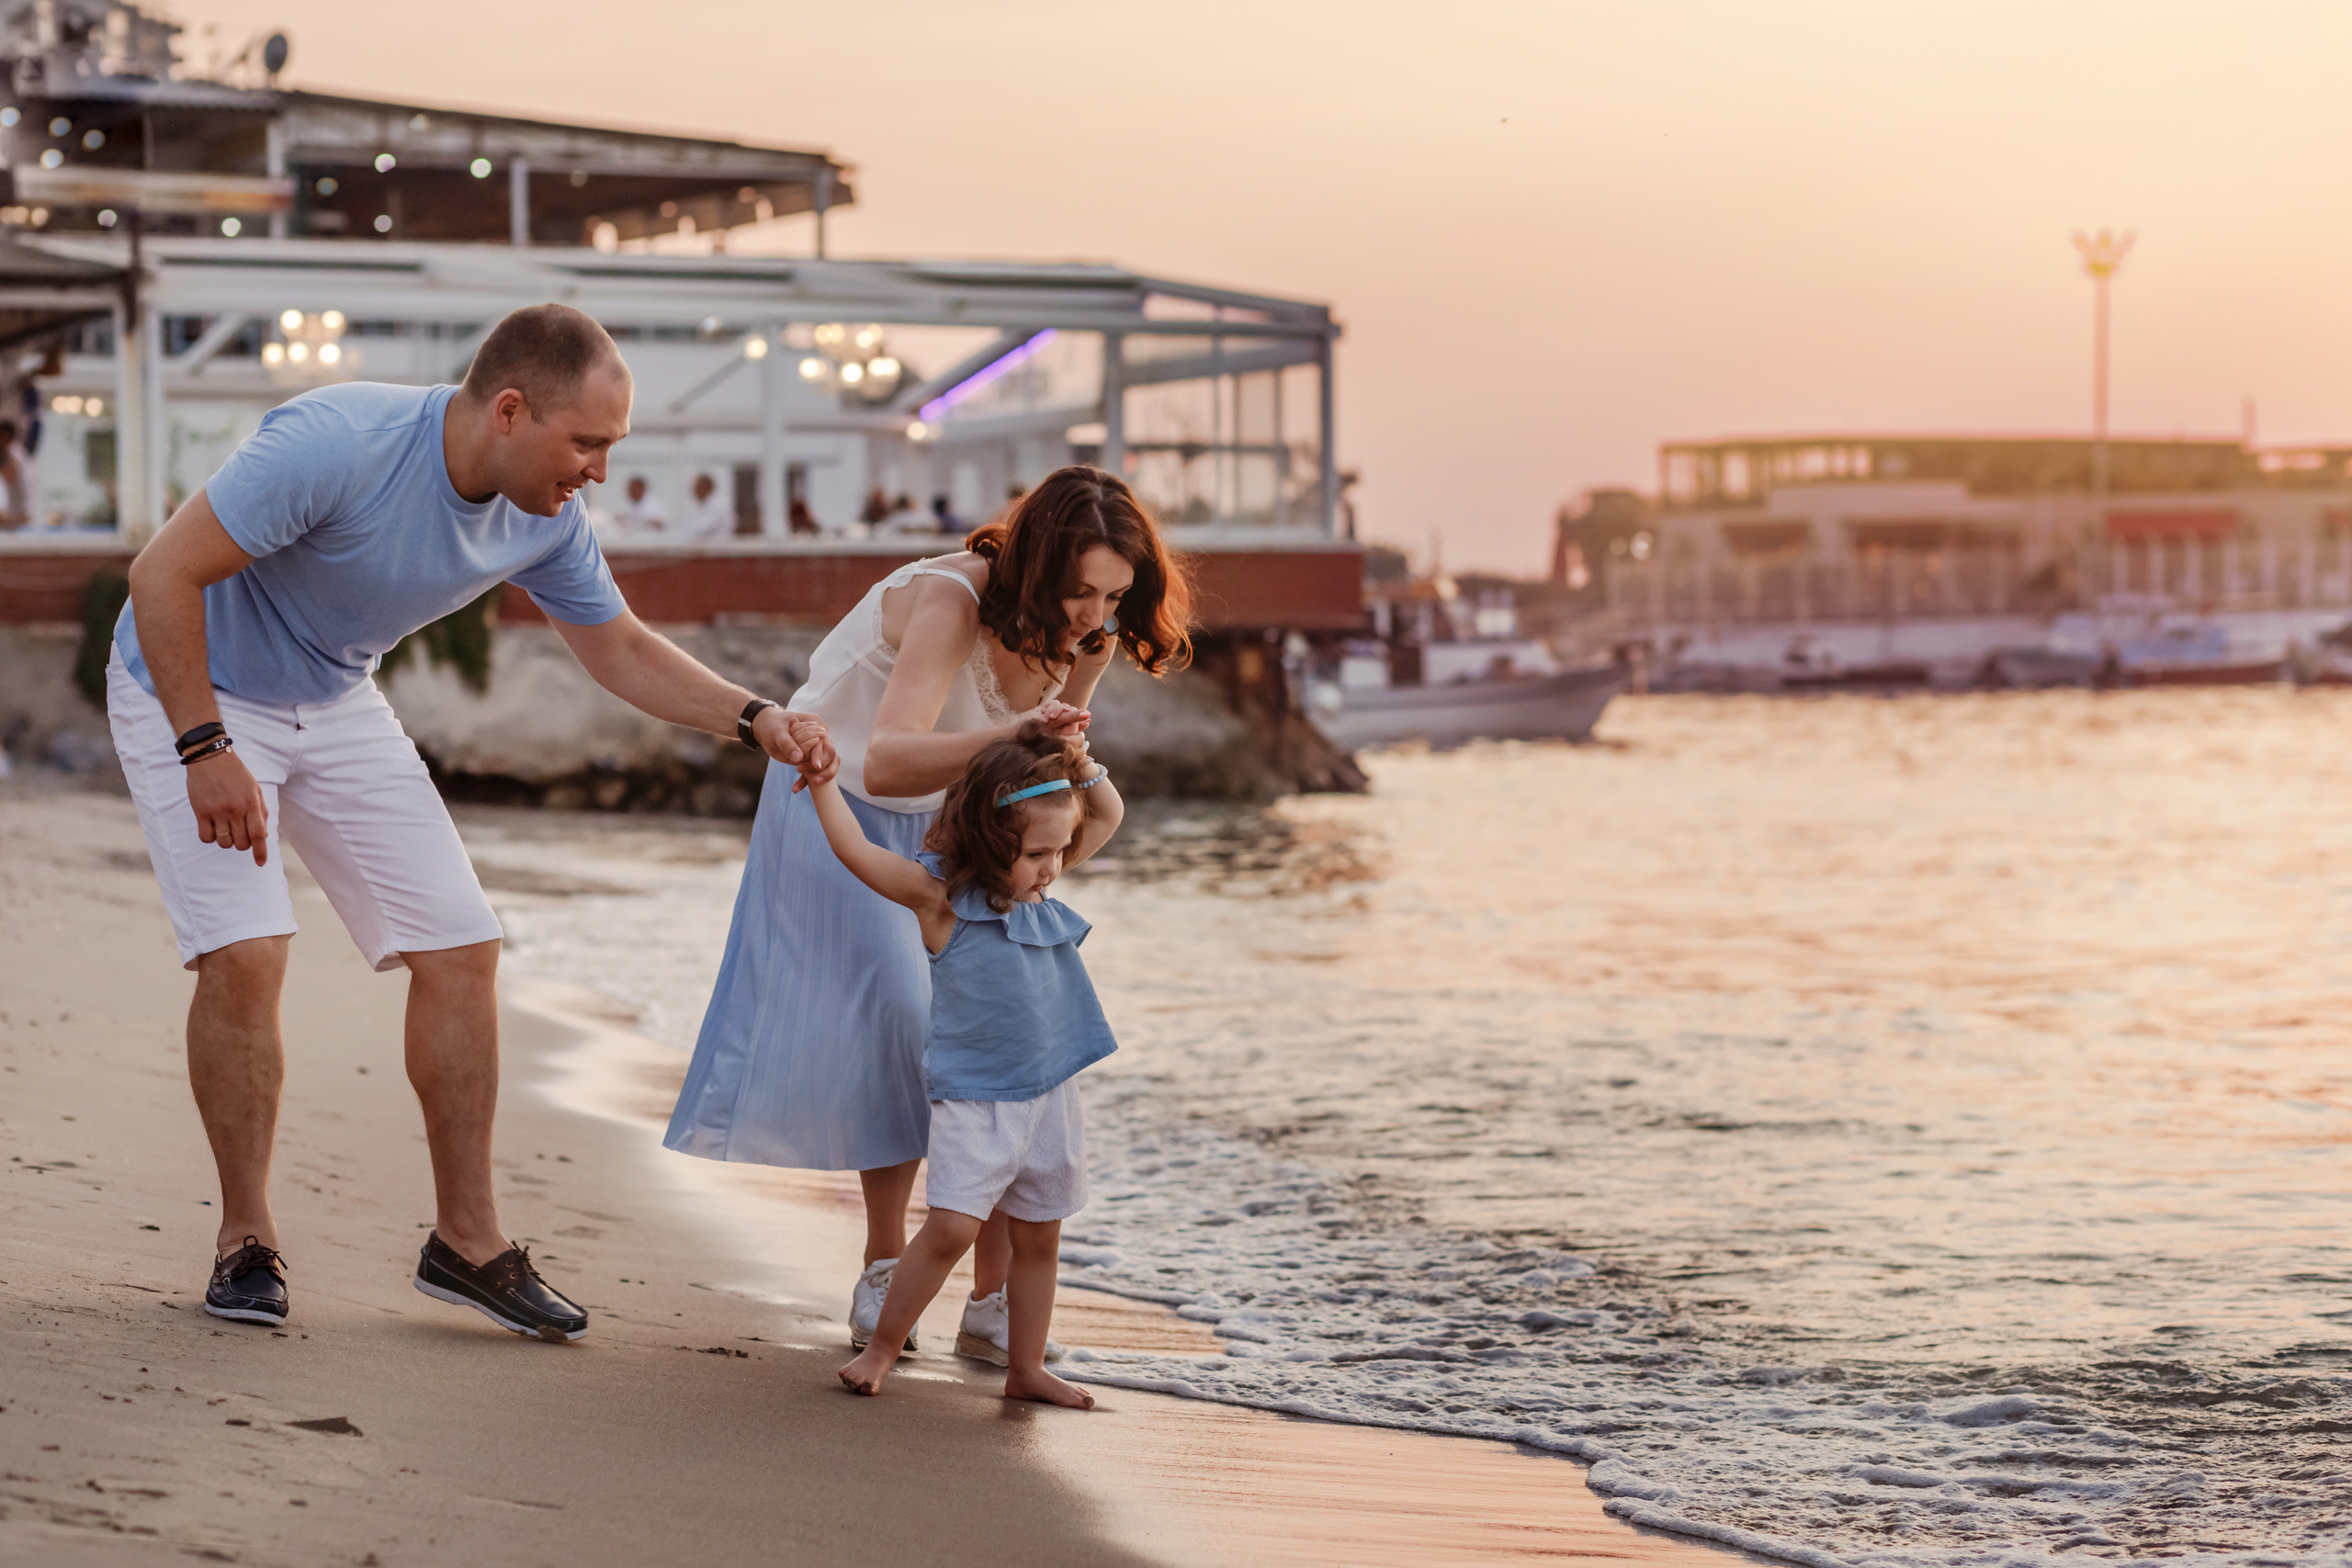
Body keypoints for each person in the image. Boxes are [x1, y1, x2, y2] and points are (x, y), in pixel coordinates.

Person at [107, 303, 836, 1340]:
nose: (596, 469)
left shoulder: (545, 518)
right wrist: (202, 746)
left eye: (610, 447)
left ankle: (467, 1242)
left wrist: (755, 717)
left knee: (462, 946)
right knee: (250, 949)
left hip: (334, 694)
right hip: (191, 691)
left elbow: (620, 648)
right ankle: (247, 1240)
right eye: (586, 442)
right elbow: (160, 574)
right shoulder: (339, 442)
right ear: (508, 410)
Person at [663, 466, 1188, 1365]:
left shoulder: (1089, 638)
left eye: (1113, 595)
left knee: (980, 1033)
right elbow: (895, 758)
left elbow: (1037, 774)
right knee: (897, 1021)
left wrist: (1053, 833)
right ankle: (881, 1263)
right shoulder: (950, 600)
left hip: (953, 809)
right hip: (837, 792)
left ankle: (991, 1304)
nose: (1093, 615)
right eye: (1078, 592)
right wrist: (1013, 739)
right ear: (1035, 569)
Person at [817, 733, 1120, 1408]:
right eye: (1036, 853)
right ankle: (883, 1347)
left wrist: (1080, 761)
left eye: (1057, 851)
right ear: (990, 837)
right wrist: (821, 785)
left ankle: (1026, 1365)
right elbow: (855, 851)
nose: (1052, 866)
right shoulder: (943, 903)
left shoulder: (1040, 893)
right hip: (977, 1101)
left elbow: (1108, 814)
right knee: (952, 1228)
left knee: (1039, 1234)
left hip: (1051, 1095)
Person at [676, 472, 734, 541]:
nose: (694, 493)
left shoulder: (718, 505)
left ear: (705, 487)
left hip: (719, 547)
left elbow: (703, 527)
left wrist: (678, 528)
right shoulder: (704, 505)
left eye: (696, 488)